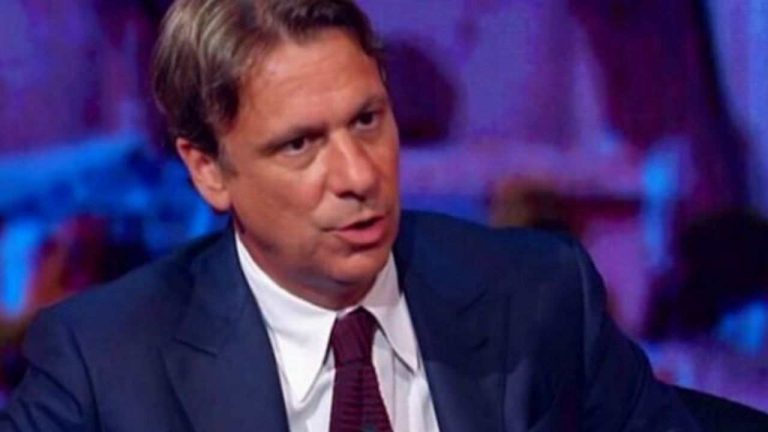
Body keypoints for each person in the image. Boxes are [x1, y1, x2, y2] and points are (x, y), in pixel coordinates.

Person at [0, 0, 703, 430]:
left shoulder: (539, 294)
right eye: (300, 144)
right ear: (209, 169)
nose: (359, 176)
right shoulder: (105, 362)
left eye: (368, 121)